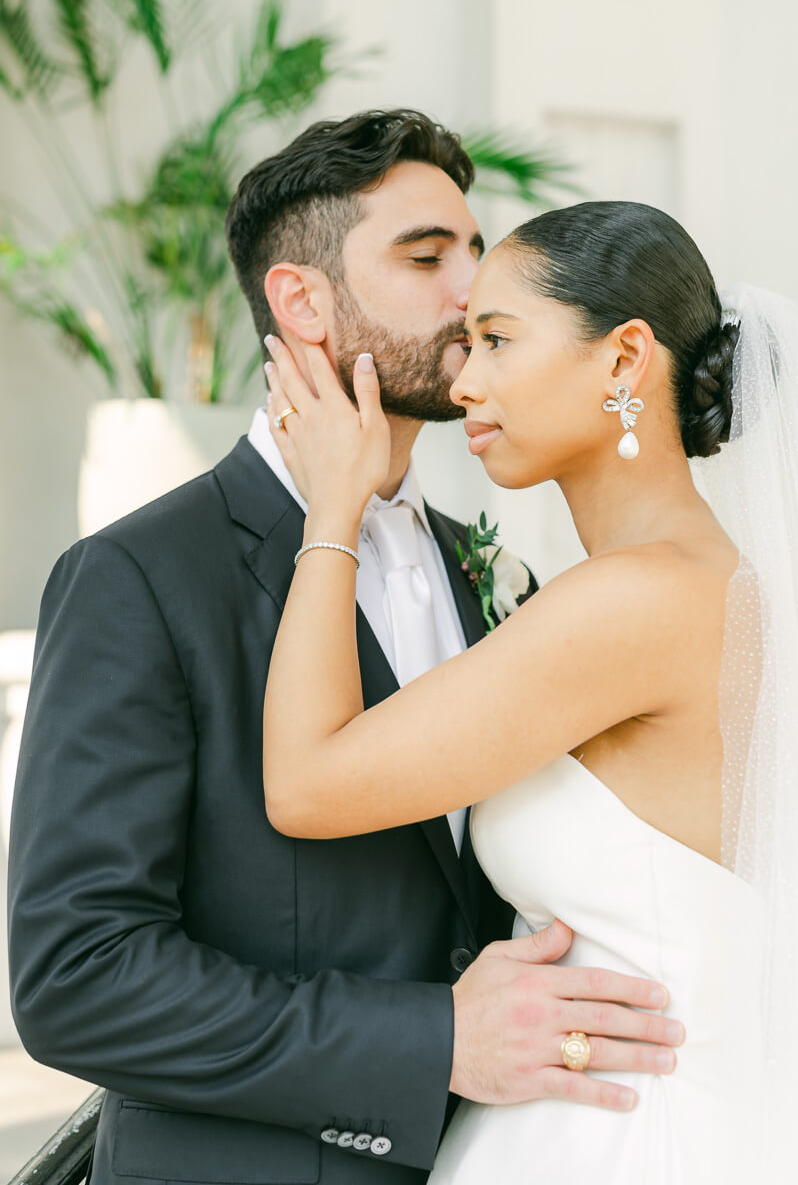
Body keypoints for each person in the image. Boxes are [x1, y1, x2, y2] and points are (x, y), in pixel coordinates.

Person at [7, 114, 681, 1185]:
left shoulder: (493, 572)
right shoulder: (141, 579)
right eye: (428, 258)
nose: (478, 289)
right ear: (302, 302)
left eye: (476, 250)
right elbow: (78, 979)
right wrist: (433, 1042)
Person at [260, 199, 798, 1183]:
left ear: (625, 360)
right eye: (466, 344)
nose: (464, 381)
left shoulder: (637, 601)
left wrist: (331, 508)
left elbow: (306, 784)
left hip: (627, 1141)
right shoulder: (701, 579)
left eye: (498, 341)